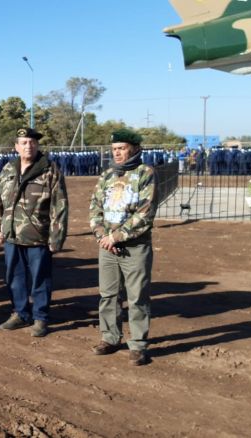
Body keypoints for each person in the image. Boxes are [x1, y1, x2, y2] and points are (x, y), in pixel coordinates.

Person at [89, 128, 158, 366]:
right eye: (114, 149)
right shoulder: (107, 175)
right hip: (106, 247)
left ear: (135, 148)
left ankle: (138, 344)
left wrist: (116, 236)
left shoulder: (145, 173)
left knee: (137, 297)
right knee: (108, 295)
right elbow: (95, 208)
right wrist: (101, 235)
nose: (117, 153)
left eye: (122, 148)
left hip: (134, 247)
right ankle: (110, 337)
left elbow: (144, 214)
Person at [0, 127, 69, 337]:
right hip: (12, 236)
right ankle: (20, 313)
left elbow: (59, 206)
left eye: (32, 142)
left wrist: (56, 238)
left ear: (38, 146)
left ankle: (40, 318)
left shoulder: (50, 169)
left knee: (40, 279)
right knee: (14, 278)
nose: (29, 146)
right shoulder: (8, 169)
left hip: (38, 236)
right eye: (24, 142)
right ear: (16, 147)